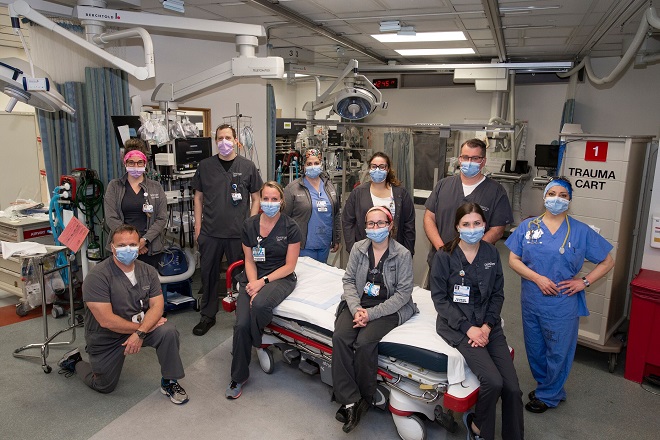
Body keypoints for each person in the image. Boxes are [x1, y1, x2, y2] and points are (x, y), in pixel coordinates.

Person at [505, 177, 614, 414]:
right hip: (532, 299)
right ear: (544, 197)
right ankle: (549, 387)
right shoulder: (528, 227)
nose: (557, 199)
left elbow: (607, 261)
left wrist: (584, 281)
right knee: (535, 348)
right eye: (552, 193)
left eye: (563, 195)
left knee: (558, 350)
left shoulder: (581, 231)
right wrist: (537, 278)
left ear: (569, 200)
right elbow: (514, 259)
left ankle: (549, 394)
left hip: (562, 303)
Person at [57, 224, 188, 404]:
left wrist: (140, 333)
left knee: (168, 331)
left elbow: (157, 306)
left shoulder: (148, 271)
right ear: (112, 247)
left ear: (140, 246)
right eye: (121, 246)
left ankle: (169, 381)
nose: (128, 249)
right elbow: (107, 321)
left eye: (133, 245)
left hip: (139, 328)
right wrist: (140, 331)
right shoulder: (97, 276)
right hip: (107, 336)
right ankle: (76, 361)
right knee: (104, 386)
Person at [430, 202, 523, 440]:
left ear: (485, 225)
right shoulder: (445, 256)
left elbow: (497, 294)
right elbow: (440, 299)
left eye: (477, 223)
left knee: (512, 388)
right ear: (457, 227)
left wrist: (487, 326)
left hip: (487, 325)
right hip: (457, 326)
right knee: (493, 382)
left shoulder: (491, 253)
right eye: (466, 224)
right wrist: (468, 328)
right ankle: (479, 429)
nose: (472, 228)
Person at [332, 206, 417, 433]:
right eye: (371, 223)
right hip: (359, 304)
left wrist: (370, 314)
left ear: (390, 226)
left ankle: (364, 397)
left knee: (364, 342)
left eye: (380, 223)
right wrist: (357, 308)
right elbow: (349, 281)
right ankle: (350, 399)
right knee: (340, 337)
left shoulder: (402, 255)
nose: (375, 227)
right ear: (365, 226)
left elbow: (403, 294)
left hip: (387, 308)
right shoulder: (359, 249)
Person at [226, 181, 301, 399]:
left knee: (259, 306)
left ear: (281, 202)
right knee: (240, 325)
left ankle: (256, 343)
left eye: (274, 199)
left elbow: (290, 266)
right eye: (265, 199)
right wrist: (253, 285)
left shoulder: (290, 227)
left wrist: (263, 282)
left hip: (280, 277)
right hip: (252, 277)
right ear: (259, 201)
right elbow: (249, 260)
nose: (269, 203)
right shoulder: (249, 225)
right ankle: (238, 377)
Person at [191, 124, 263, 336]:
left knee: (242, 277)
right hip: (210, 232)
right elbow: (198, 197)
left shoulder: (247, 166)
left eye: (228, 137)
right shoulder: (205, 166)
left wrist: (250, 225)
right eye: (220, 138)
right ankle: (207, 315)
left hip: (237, 234)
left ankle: (242, 316)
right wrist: (197, 227)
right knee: (208, 275)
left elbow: (256, 197)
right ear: (216, 141)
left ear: (235, 141)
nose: (224, 141)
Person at [424, 138, 513, 270]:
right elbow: (429, 218)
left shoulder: (496, 191)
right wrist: (442, 250)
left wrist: (469, 252)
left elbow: (497, 230)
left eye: (475, 158)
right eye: (465, 157)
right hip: (441, 261)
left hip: (475, 263)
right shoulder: (443, 185)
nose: (469, 162)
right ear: (460, 159)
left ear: (483, 161)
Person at [104, 139, 167, 267]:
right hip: (122, 248)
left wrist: (144, 241)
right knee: (122, 285)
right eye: (131, 162)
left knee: (147, 285)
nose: (136, 166)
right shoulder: (114, 186)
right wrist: (132, 243)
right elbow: (111, 218)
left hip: (149, 248)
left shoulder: (156, 187)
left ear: (145, 163)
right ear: (124, 162)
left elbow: (161, 218)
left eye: (139, 163)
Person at [342, 152, 415, 256]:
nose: (377, 170)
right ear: (369, 168)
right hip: (365, 251)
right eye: (374, 166)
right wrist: (352, 249)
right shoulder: (358, 193)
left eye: (382, 167)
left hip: (394, 251)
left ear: (388, 169)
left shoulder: (400, 193)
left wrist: (408, 253)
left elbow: (409, 225)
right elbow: (347, 221)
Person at [283, 148, 340, 263]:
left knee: (321, 277)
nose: (313, 166)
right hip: (303, 245)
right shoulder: (293, 188)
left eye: (316, 163)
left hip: (324, 243)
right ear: (303, 166)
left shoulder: (329, 186)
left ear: (321, 164)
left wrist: (336, 238)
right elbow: (284, 218)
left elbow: (336, 214)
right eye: (309, 164)